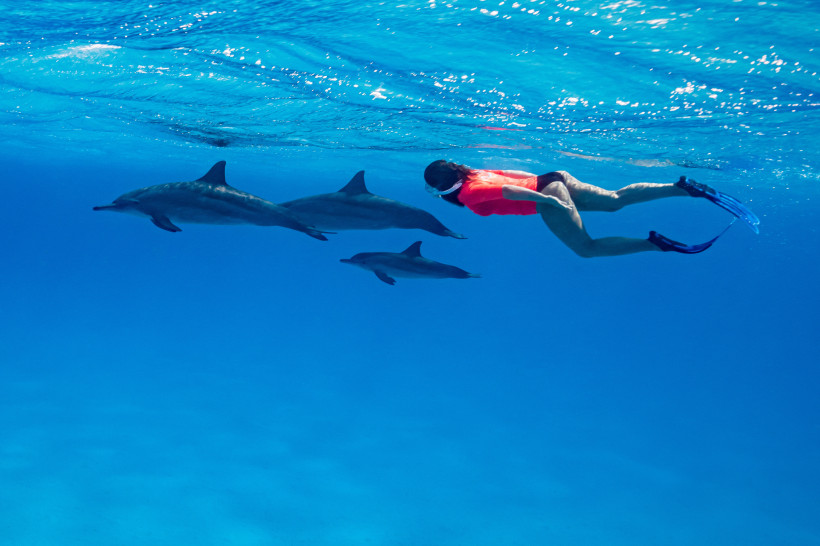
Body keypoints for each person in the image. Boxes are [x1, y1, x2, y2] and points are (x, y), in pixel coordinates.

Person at [423, 160, 759, 258]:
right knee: (614, 201)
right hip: (554, 177)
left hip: (548, 194)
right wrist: (549, 185)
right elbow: (519, 175)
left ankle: (656, 243)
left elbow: (510, 189)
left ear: (442, 187)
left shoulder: (470, 194)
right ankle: (684, 188)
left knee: (586, 249)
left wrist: (549, 200)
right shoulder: (474, 172)